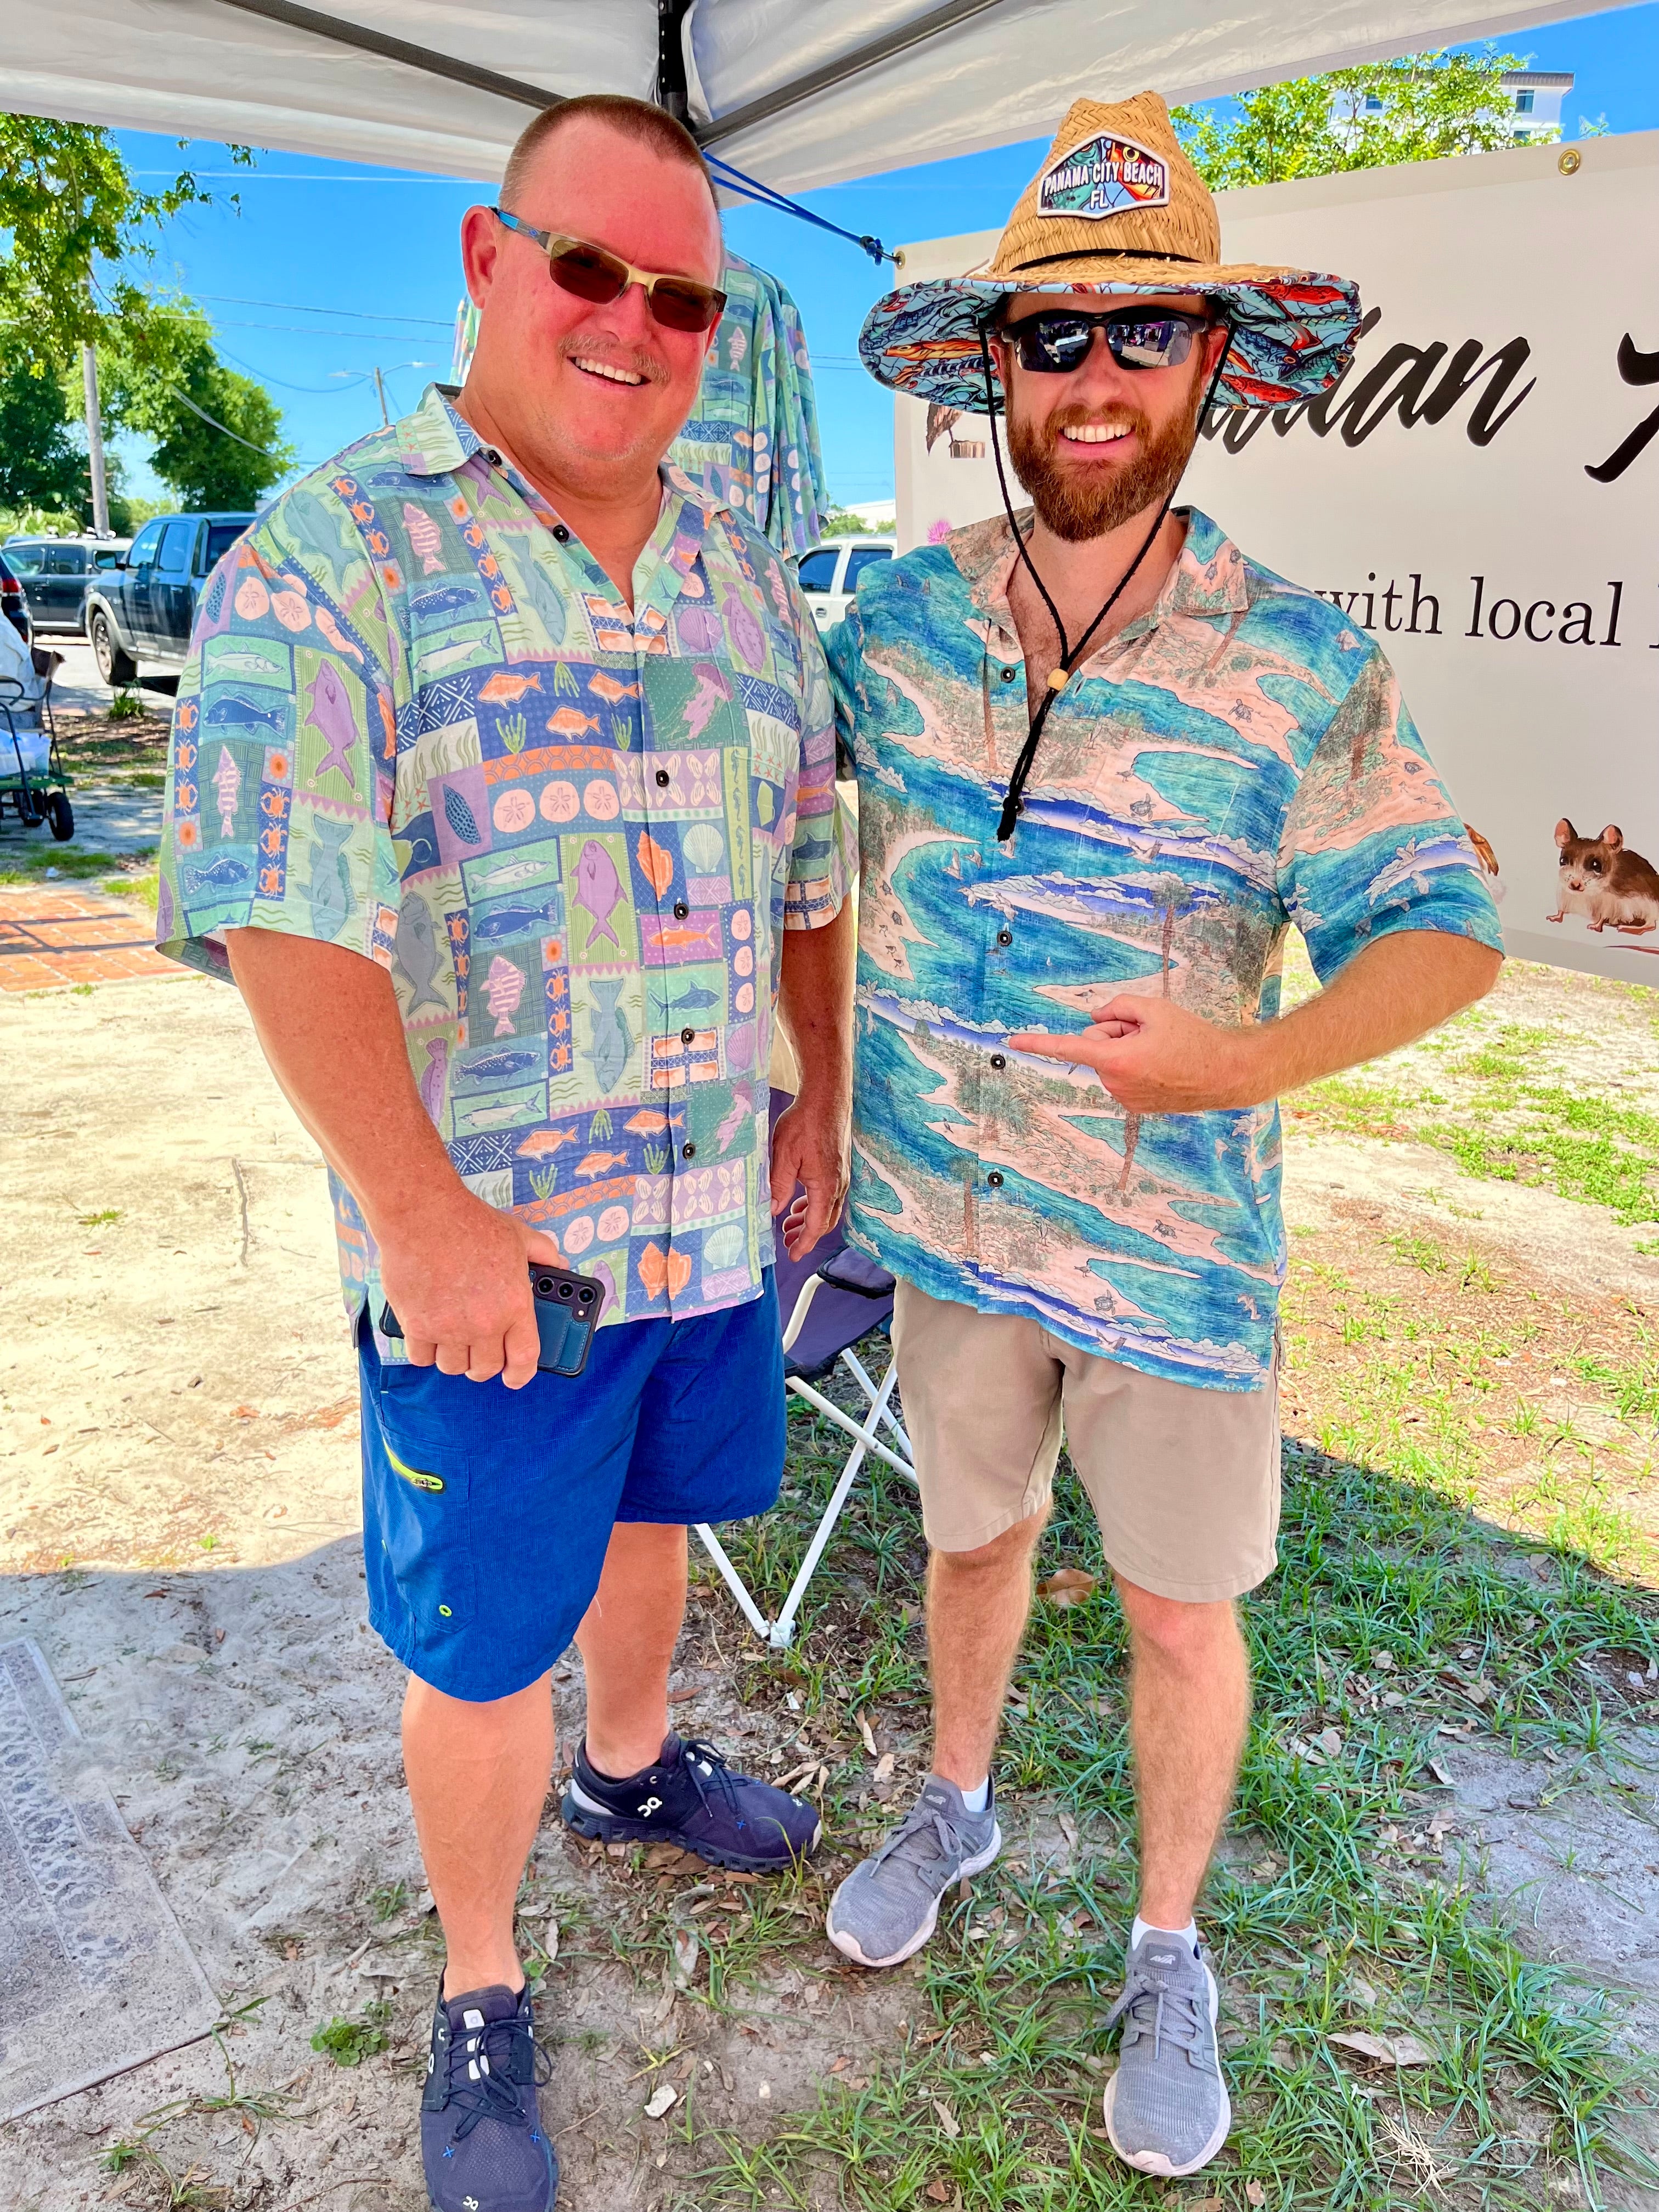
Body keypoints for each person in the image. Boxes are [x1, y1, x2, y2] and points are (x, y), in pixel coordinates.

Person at [155, 93, 854, 2212]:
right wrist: (421, 1210)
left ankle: (632, 1781)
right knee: (477, 1645)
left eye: (685, 296)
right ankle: (477, 1979)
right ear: (489, 259)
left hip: (709, 1218)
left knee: (665, 1518)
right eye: (592, 270)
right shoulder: (341, 549)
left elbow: (811, 856)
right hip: (502, 1257)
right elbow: (285, 909)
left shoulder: (742, 570)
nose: (636, 323)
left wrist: (816, 1090)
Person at [822, 91, 1502, 2180]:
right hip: (949, 1224)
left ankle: (1167, 1941)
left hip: (1178, 1261)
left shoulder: (1301, 663)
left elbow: (1453, 933)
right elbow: (771, 846)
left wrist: (1246, 1061)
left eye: (1143, 332)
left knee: (1183, 1610)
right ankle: (955, 1801)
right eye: (1054, 335)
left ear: (1212, 362)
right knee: (966, 1544)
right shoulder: (889, 632)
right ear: (993, 370)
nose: (1095, 375)